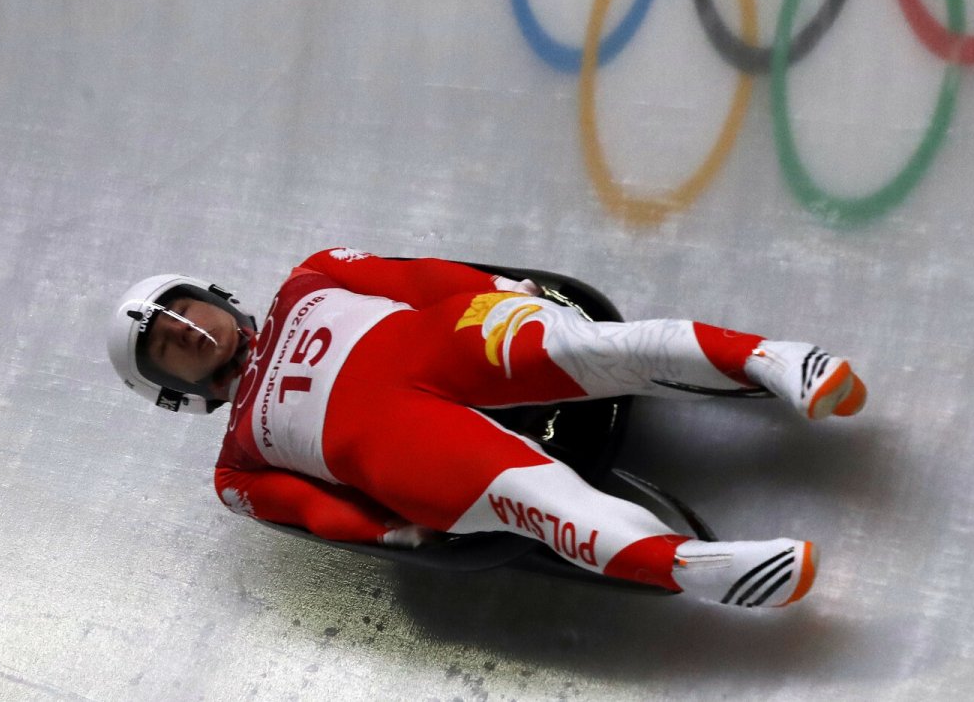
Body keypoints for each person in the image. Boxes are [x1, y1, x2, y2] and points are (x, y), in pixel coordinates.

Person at [106, 247, 866, 608]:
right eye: (169, 345)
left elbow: (415, 279)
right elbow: (307, 510)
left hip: (452, 337)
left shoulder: (311, 275)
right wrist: (387, 535)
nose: (188, 331)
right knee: (539, 503)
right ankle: (699, 566)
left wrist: (502, 289)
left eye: (184, 311)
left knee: (592, 347)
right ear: (173, 389)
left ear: (212, 292)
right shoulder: (234, 466)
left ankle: (778, 360)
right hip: (402, 446)